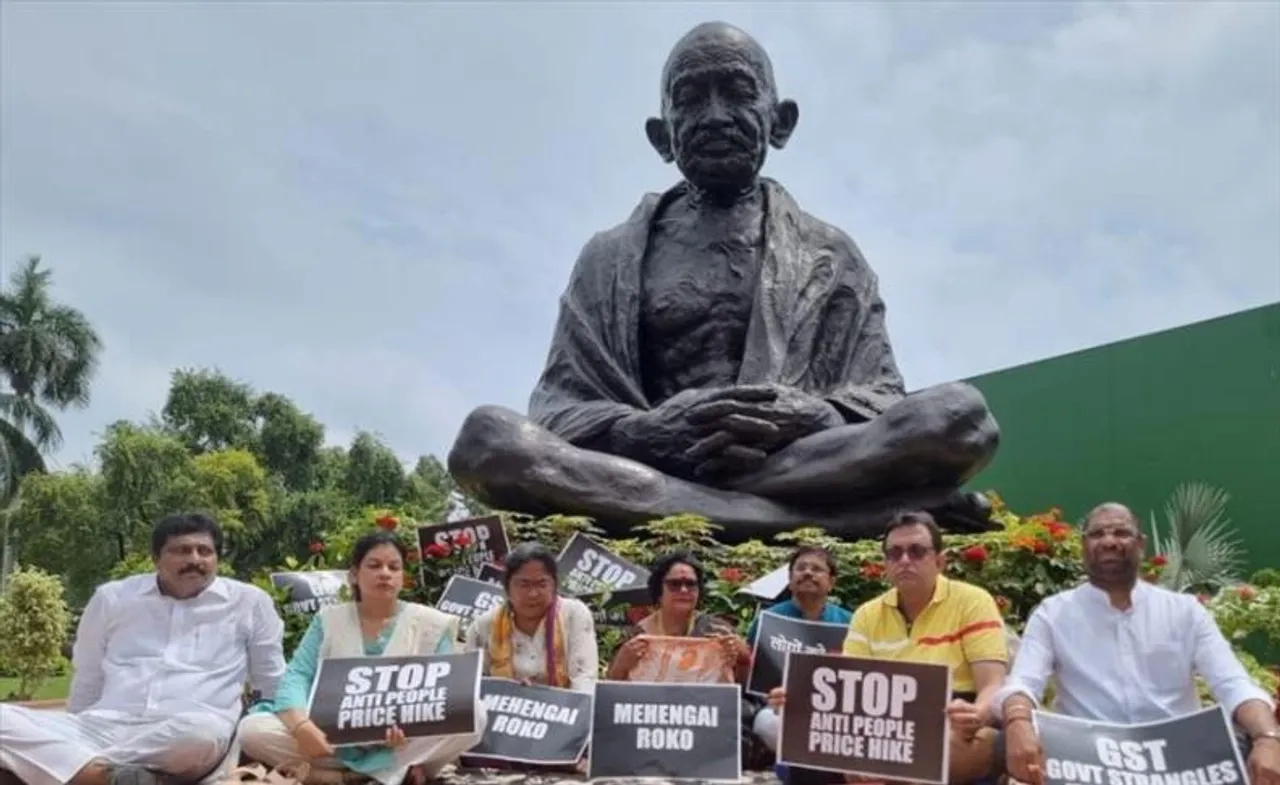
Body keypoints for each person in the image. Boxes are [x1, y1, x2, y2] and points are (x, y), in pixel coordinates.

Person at [446, 20, 1000, 543]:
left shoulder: (831, 255)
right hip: (647, 459)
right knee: (487, 440)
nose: (714, 115)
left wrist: (815, 414)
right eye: (690, 98)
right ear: (662, 136)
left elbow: (880, 397)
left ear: (780, 121)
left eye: (737, 91)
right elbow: (558, 408)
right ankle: (834, 520)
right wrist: (645, 432)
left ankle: (709, 508)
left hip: (795, 461)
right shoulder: (607, 258)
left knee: (960, 416)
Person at [993, 502, 1280, 785]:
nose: (1108, 541)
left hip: (1180, 763)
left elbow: (1233, 684)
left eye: (1121, 533)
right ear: (1084, 545)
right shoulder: (1053, 613)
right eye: (1097, 534)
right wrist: (1018, 721)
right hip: (1087, 761)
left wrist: (1268, 738)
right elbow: (1023, 683)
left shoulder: (1185, 611)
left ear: (1140, 543)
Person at [0, 512, 287, 785]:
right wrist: (76, 729)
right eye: (181, 550)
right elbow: (88, 674)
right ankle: (111, 777)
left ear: (217, 559)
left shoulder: (249, 603)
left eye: (205, 551)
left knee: (199, 736)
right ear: (155, 559)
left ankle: (81, 769)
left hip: (187, 731)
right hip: (104, 725)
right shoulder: (113, 599)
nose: (194, 559)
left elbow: (271, 680)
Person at [769, 511, 1009, 784]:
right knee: (807, 748)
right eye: (895, 553)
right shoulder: (867, 614)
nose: (905, 560)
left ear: (940, 561)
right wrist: (799, 700)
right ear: (886, 564)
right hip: (882, 726)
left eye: (917, 551)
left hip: (952, 720)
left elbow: (992, 684)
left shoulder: (973, 602)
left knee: (965, 747)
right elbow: (848, 692)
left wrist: (976, 714)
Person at [237, 532, 485, 785]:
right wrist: (302, 727)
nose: (385, 573)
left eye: (394, 567)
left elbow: (442, 694)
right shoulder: (328, 620)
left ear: (403, 577)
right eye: (374, 565)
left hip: (401, 741)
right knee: (252, 731)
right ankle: (381, 774)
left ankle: (341, 777)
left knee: (475, 713)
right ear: (354, 574)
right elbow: (298, 674)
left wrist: (409, 729)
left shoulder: (432, 624)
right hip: (334, 738)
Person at [747, 546, 854, 757]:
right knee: (765, 722)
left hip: (833, 712)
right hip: (780, 709)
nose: (807, 573)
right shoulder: (768, 619)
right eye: (801, 568)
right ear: (789, 579)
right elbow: (753, 675)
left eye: (817, 569)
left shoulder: (849, 622)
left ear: (831, 582)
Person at [464, 542, 599, 692]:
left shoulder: (574, 614)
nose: (533, 594)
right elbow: (471, 686)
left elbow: (584, 679)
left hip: (564, 709)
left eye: (542, 584)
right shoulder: (483, 626)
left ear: (554, 586)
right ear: (507, 588)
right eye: (523, 584)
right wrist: (512, 690)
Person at [607, 551, 752, 684]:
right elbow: (610, 690)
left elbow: (742, 691)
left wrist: (742, 659)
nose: (684, 590)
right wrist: (622, 663)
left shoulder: (719, 631)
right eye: (675, 584)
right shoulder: (636, 636)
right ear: (659, 590)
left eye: (691, 584)